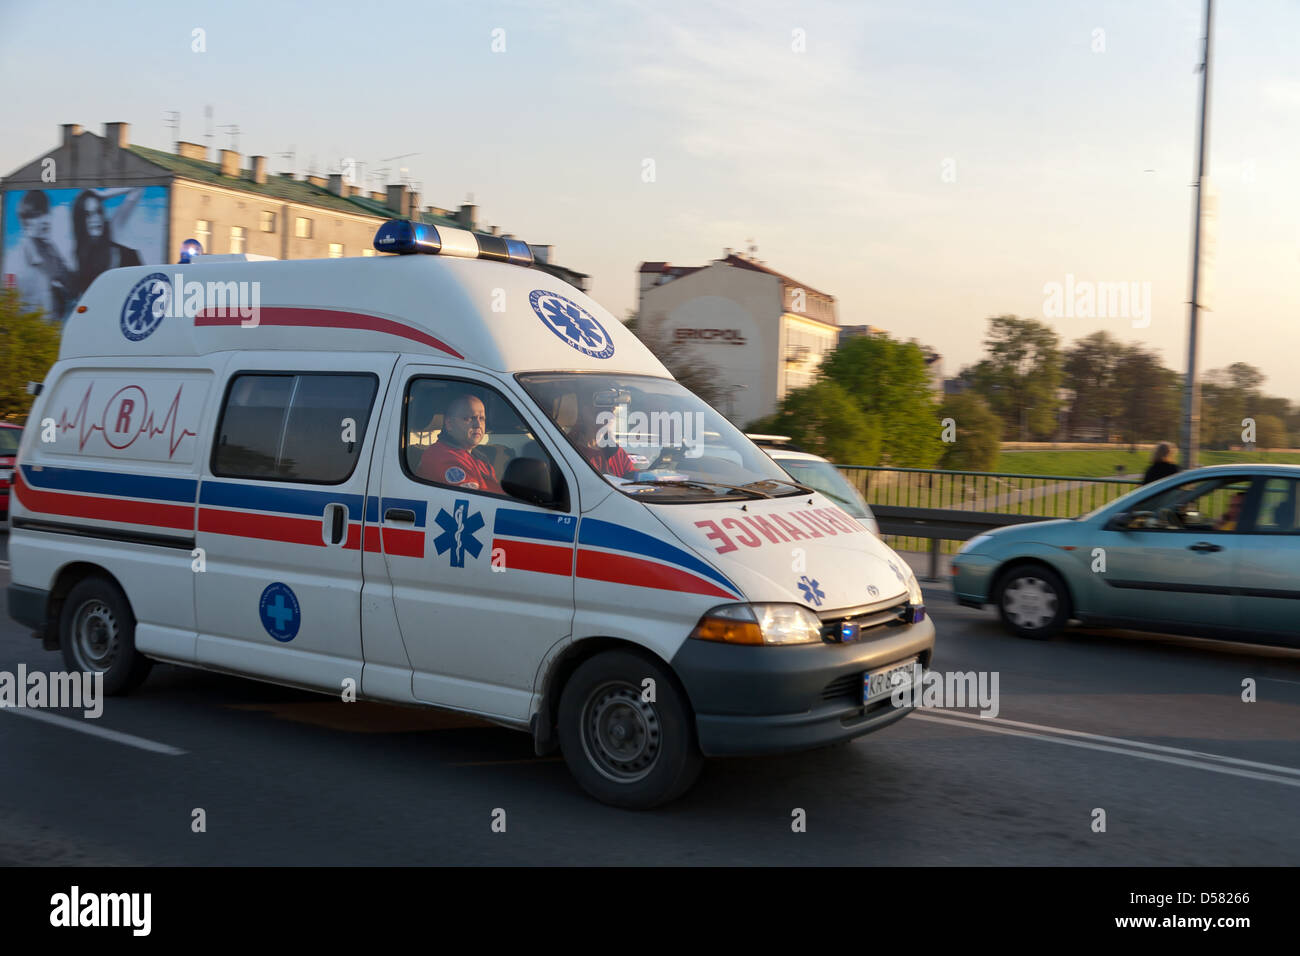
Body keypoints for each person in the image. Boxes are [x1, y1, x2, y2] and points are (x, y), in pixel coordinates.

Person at [416, 394, 503, 494]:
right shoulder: (441, 456)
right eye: (470, 418)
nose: (478, 425)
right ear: (449, 424)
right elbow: (474, 500)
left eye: (482, 418)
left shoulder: (478, 457)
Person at [70, 189, 142, 303]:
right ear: (80, 220)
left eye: (98, 211)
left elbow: (136, 190)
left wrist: (103, 195)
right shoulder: (78, 254)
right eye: (88, 214)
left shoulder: (113, 230)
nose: (95, 219)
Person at [10, 190, 74, 319]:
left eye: (47, 212)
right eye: (38, 215)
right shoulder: (14, 263)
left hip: (53, 333)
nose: (46, 220)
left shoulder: (50, 250)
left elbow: (71, 285)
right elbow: (9, 305)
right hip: (30, 334)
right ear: (26, 222)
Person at [571, 400, 636, 478]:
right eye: (601, 405)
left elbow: (634, 482)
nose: (610, 414)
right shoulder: (569, 449)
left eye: (612, 409)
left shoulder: (616, 452)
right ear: (584, 411)